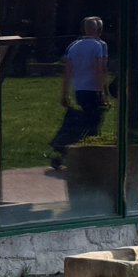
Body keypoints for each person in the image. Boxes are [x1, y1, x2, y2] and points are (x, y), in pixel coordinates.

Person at [48, 16, 109, 169]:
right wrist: (102, 91)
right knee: (93, 123)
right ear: (99, 30)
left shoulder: (73, 46)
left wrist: (64, 92)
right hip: (93, 88)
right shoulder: (99, 46)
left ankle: (66, 149)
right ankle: (89, 156)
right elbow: (99, 69)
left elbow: (68, 71)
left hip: (79, 89)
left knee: (81, 120)